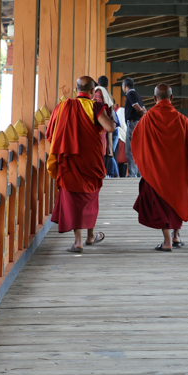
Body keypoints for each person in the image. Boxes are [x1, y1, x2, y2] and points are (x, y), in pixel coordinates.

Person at [47, 76, 117, 253]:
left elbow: (51, 133)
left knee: (73, 199)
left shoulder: (63, 107)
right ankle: (90, 236)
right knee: (90, 198)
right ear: (93, 92)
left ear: (76, 90)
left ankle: (77, 241)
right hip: (90, 160)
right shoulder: (95, 106)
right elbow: (109, 128)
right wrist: (113, 120)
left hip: (69, 160)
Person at [130, 84, 188, 251]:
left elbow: (136, 142)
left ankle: (167, 240)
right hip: (179, 170)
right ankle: (176, 236)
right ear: (171, 98)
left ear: (155, 98)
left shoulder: (146, 119)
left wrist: (146, 164)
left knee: (160, 201)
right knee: (178, 198)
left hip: (157, 171)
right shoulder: (183, 120)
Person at [93, 82, 123, 178]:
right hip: (110, 126)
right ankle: (112, 174)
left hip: (107, 126)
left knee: (109, 152)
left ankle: (112, 174)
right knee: (109, 152)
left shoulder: (98, 92)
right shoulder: (105, 93)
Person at [121, 77, 146, 178]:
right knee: (138, 149)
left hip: (132, 124)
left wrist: (140, 112)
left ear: (125, 86)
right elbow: (144, 109)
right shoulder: (137, 95)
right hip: (139, 123)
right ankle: (140, 173)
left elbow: (138, 108)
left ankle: (132, 174)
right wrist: (143, 114)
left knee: (130, 150)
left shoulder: (130, 94)